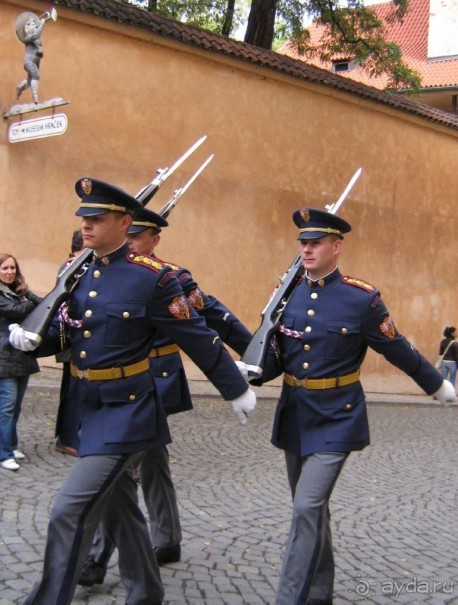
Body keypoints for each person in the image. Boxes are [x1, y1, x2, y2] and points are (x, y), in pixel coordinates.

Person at [9, 177, 256, 605]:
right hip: (88, 407)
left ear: (125, 223)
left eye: (97, 218)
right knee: (122, 508)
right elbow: (70, 333)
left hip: (128, 411)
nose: (86, 226)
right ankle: (146, 592)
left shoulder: (155, 279)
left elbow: (196, 332)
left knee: (69, 510)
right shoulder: (80, 272)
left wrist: (235, 388)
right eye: (83, 218)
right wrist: (33, 340)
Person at [237, 207, 456, 605]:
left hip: (337, 415)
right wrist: (246, 372)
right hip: (295, 413)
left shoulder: (362, 299)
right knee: (312, 511)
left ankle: (290, 598)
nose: (306, 250)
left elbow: (397, 348)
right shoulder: (287, 293)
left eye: (315, 243)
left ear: (336, 247)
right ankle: (319, 593)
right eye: (303, 243)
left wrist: (436, 384)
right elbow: (275, 359)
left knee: (305, 506)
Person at [78, 207, 252, 586]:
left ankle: (95, 557)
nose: (130, 242)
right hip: (121, 384)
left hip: (154, 378)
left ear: (154, 240)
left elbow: (210, 315)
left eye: (138, 236)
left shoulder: (166, 275)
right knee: (152, 461)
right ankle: (167, 539)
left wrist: (253, 353)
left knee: (117, 470)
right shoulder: (102, 268)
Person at [0, 253, 41, 471]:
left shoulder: (20, 291)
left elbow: (43, 304)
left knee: (15, 407)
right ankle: (4, 453)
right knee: (6, 407)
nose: (9, 272)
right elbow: (14, 311)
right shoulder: (5, 295)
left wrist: (28, 299)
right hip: (3, 356)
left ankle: (10, 445)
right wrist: (28, 302)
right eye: (5, 268)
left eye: (12, 268)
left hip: (21, 355)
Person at [54, 230, 84, 456]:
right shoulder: (73, 267)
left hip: (73, 337)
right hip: (72, 337)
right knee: (73, 390)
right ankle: (68, 438)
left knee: (71, 388)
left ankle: (68, 436)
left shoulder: (73, 265)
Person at [15, 13, 46, 103]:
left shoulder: (37, 41)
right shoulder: (28, 38)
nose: (32, 26)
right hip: (30, 62)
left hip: (35, 63)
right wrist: (42, 25)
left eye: (33, 24)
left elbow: (39, 53)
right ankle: (35, 96)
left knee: (30, 80)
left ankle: (20, 88)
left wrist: (40, 53)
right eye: (28, 25)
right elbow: (35, 35)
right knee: (36, 76)